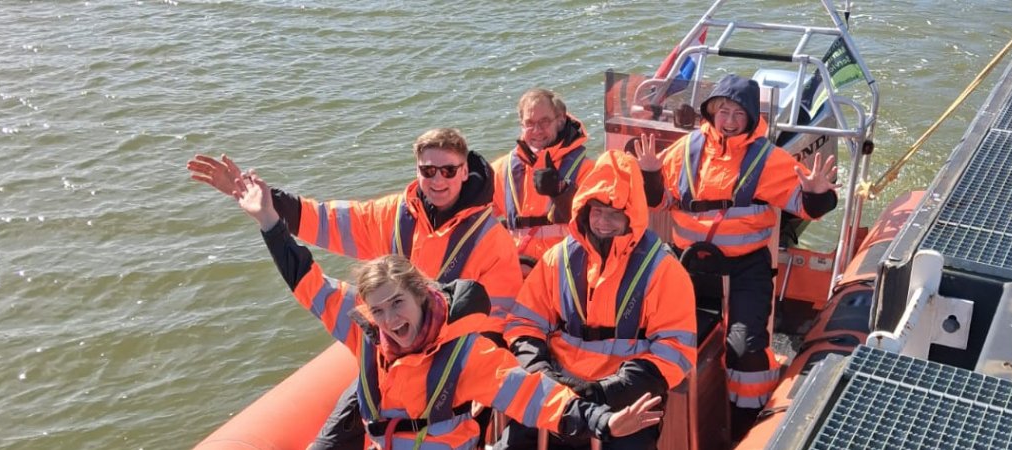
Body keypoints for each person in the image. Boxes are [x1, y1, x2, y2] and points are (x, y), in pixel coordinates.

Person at [226, 170, 664, 450]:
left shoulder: (465, 355)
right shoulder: (365, 332)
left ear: (421, 295)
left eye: (397, 304)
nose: (391, 321)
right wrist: (268, 221)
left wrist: (605, 423)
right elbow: (306, 279)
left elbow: (537, 397)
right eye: (379, 311)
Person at [187, 127, 523, 448]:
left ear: (464, 171)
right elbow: (325, 220)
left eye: (448, 171)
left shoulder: (490, 240)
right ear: (417, 170)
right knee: (327, 443)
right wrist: (262, 203)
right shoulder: (393, 214)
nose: (438, 180)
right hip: (385, 360)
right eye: (428, 170)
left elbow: (496, 321)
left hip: (448, 367)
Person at [633, 74, 838, 437]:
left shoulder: (768, 159)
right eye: (723, 111)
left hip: (745, 269)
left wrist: (818, 193)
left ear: (751, 118)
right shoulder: (684, 150)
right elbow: (660, 200)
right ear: (711, 112)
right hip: (689, 264)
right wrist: (650, 174)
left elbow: (808, 208)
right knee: (653, 334)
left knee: (746, 350)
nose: (729, 120)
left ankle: (747, 426)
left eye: (738, 114)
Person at [498, 150, 697, 450]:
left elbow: (674, 351)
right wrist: (542, 373)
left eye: (614, 213)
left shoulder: (663, 270)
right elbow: (524, 323)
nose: (603, 221)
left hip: (625, 401)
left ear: (632, 215)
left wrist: (604, 392)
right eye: (596, 211)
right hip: (557, 392)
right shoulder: (558, 259)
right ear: (583, 210)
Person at [491, 88, 594, 276]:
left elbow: (595, 224)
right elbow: (474, 217)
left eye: (544, 122)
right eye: (529, 123)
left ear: (560, 121)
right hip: (517, 270)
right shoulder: (501, 170)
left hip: (565, 271)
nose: (537, 130)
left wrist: (561, 192)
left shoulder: (586, 169)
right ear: (521, 125)